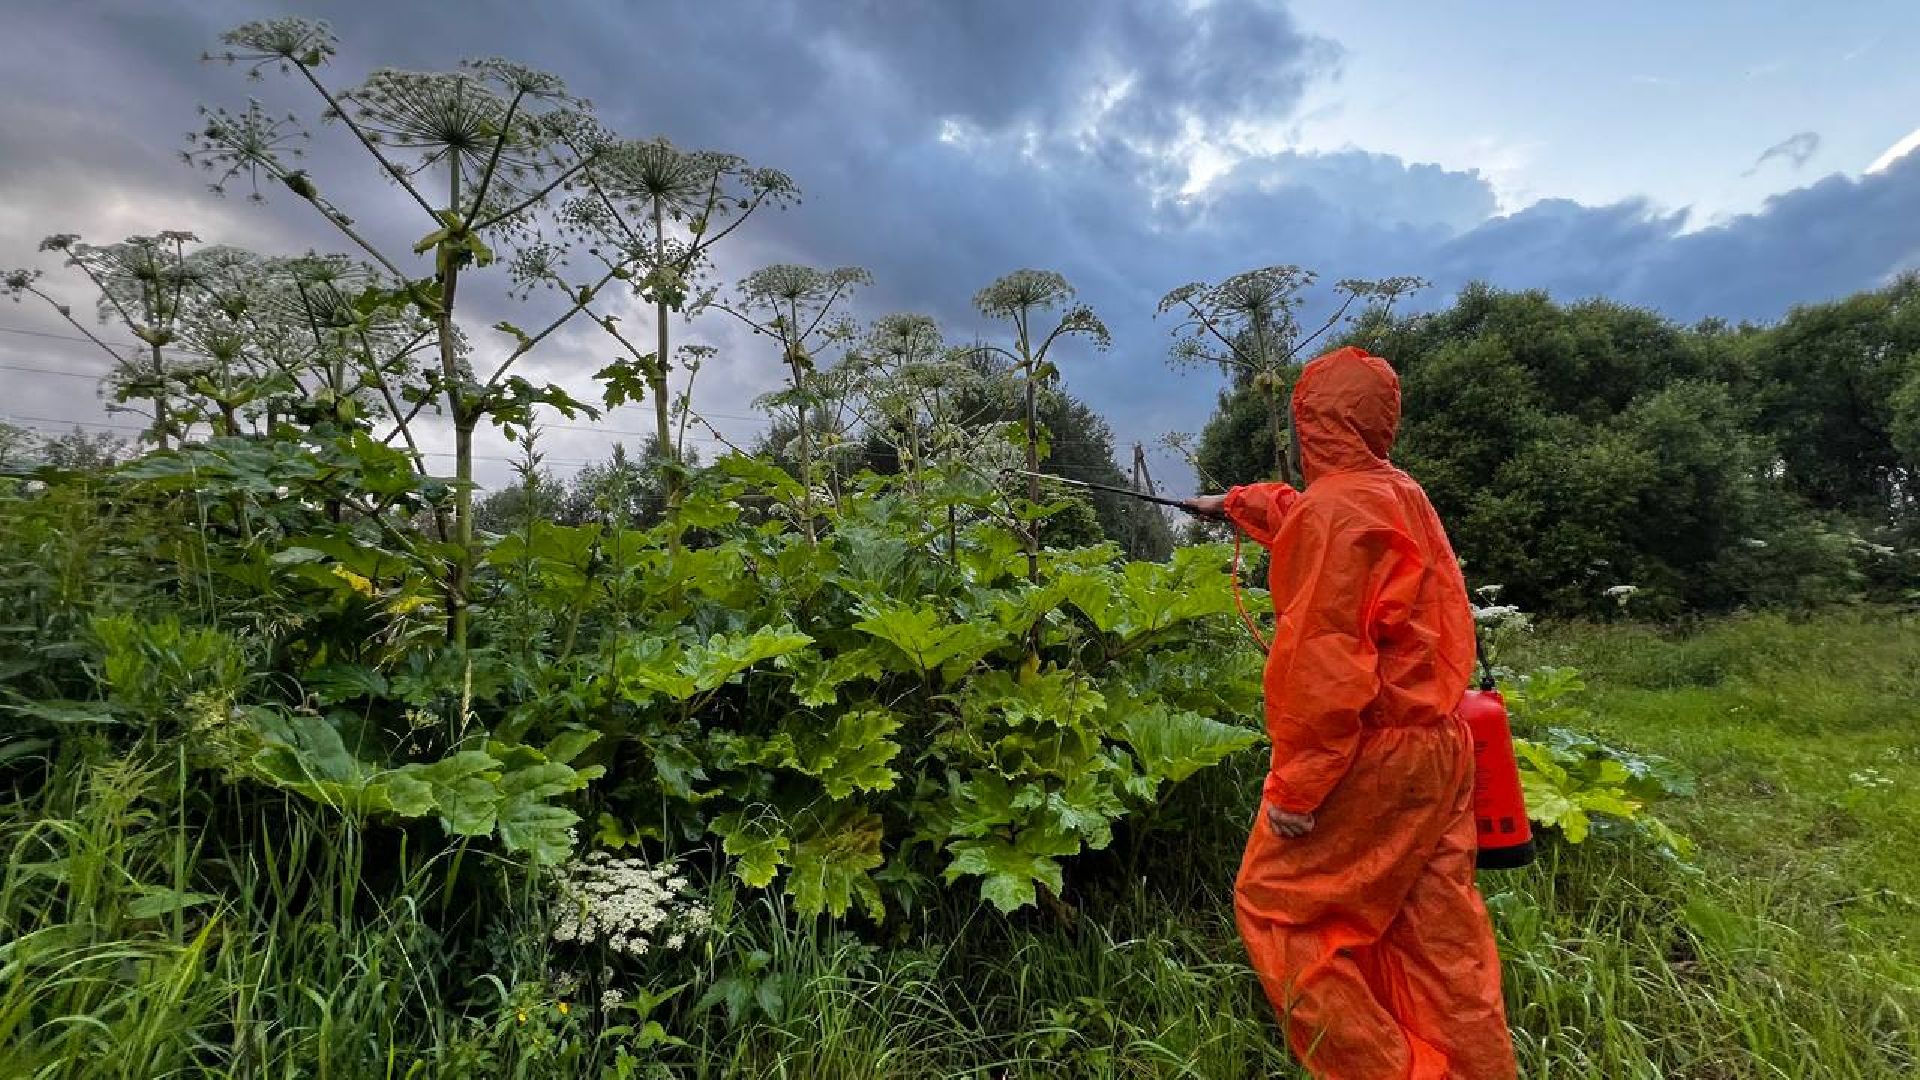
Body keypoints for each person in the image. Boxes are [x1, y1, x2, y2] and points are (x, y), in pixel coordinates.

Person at [1184, 346, 1516, 1080]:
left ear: (1311, 423)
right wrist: (1235, 503)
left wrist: (1298, 788)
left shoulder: (1337, 513)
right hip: (1441, 749)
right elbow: (1331, 525)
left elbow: (1324, 668)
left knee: (1280, 911)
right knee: (1437, 938)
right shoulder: (1399, 493)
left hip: (1371, 755)